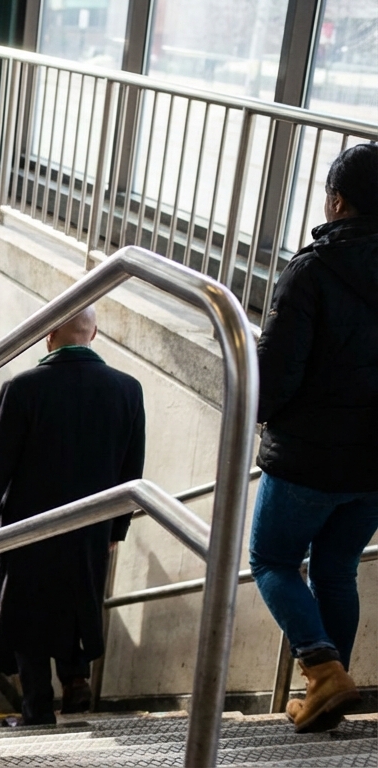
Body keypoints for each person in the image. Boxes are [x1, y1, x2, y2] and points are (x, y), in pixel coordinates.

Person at [249, 142, 378, 734]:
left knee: (273, 559)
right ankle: (329, 696)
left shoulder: (313, 269)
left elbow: (275, 375)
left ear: (336, 200)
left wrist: (258, 412)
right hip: (373, 468)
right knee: (337, 569)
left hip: (307, 459)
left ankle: (322, 671)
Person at [0, 306, 144, 727]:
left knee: (28, 614)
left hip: (31, 528)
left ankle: (37, 710)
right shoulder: (127, 389)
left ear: (48, 336)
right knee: (77, 601)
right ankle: (76, 680)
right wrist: (116, 527)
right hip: (91, 527)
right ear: (94, 333)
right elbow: (131, 469)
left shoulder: (23, 388)